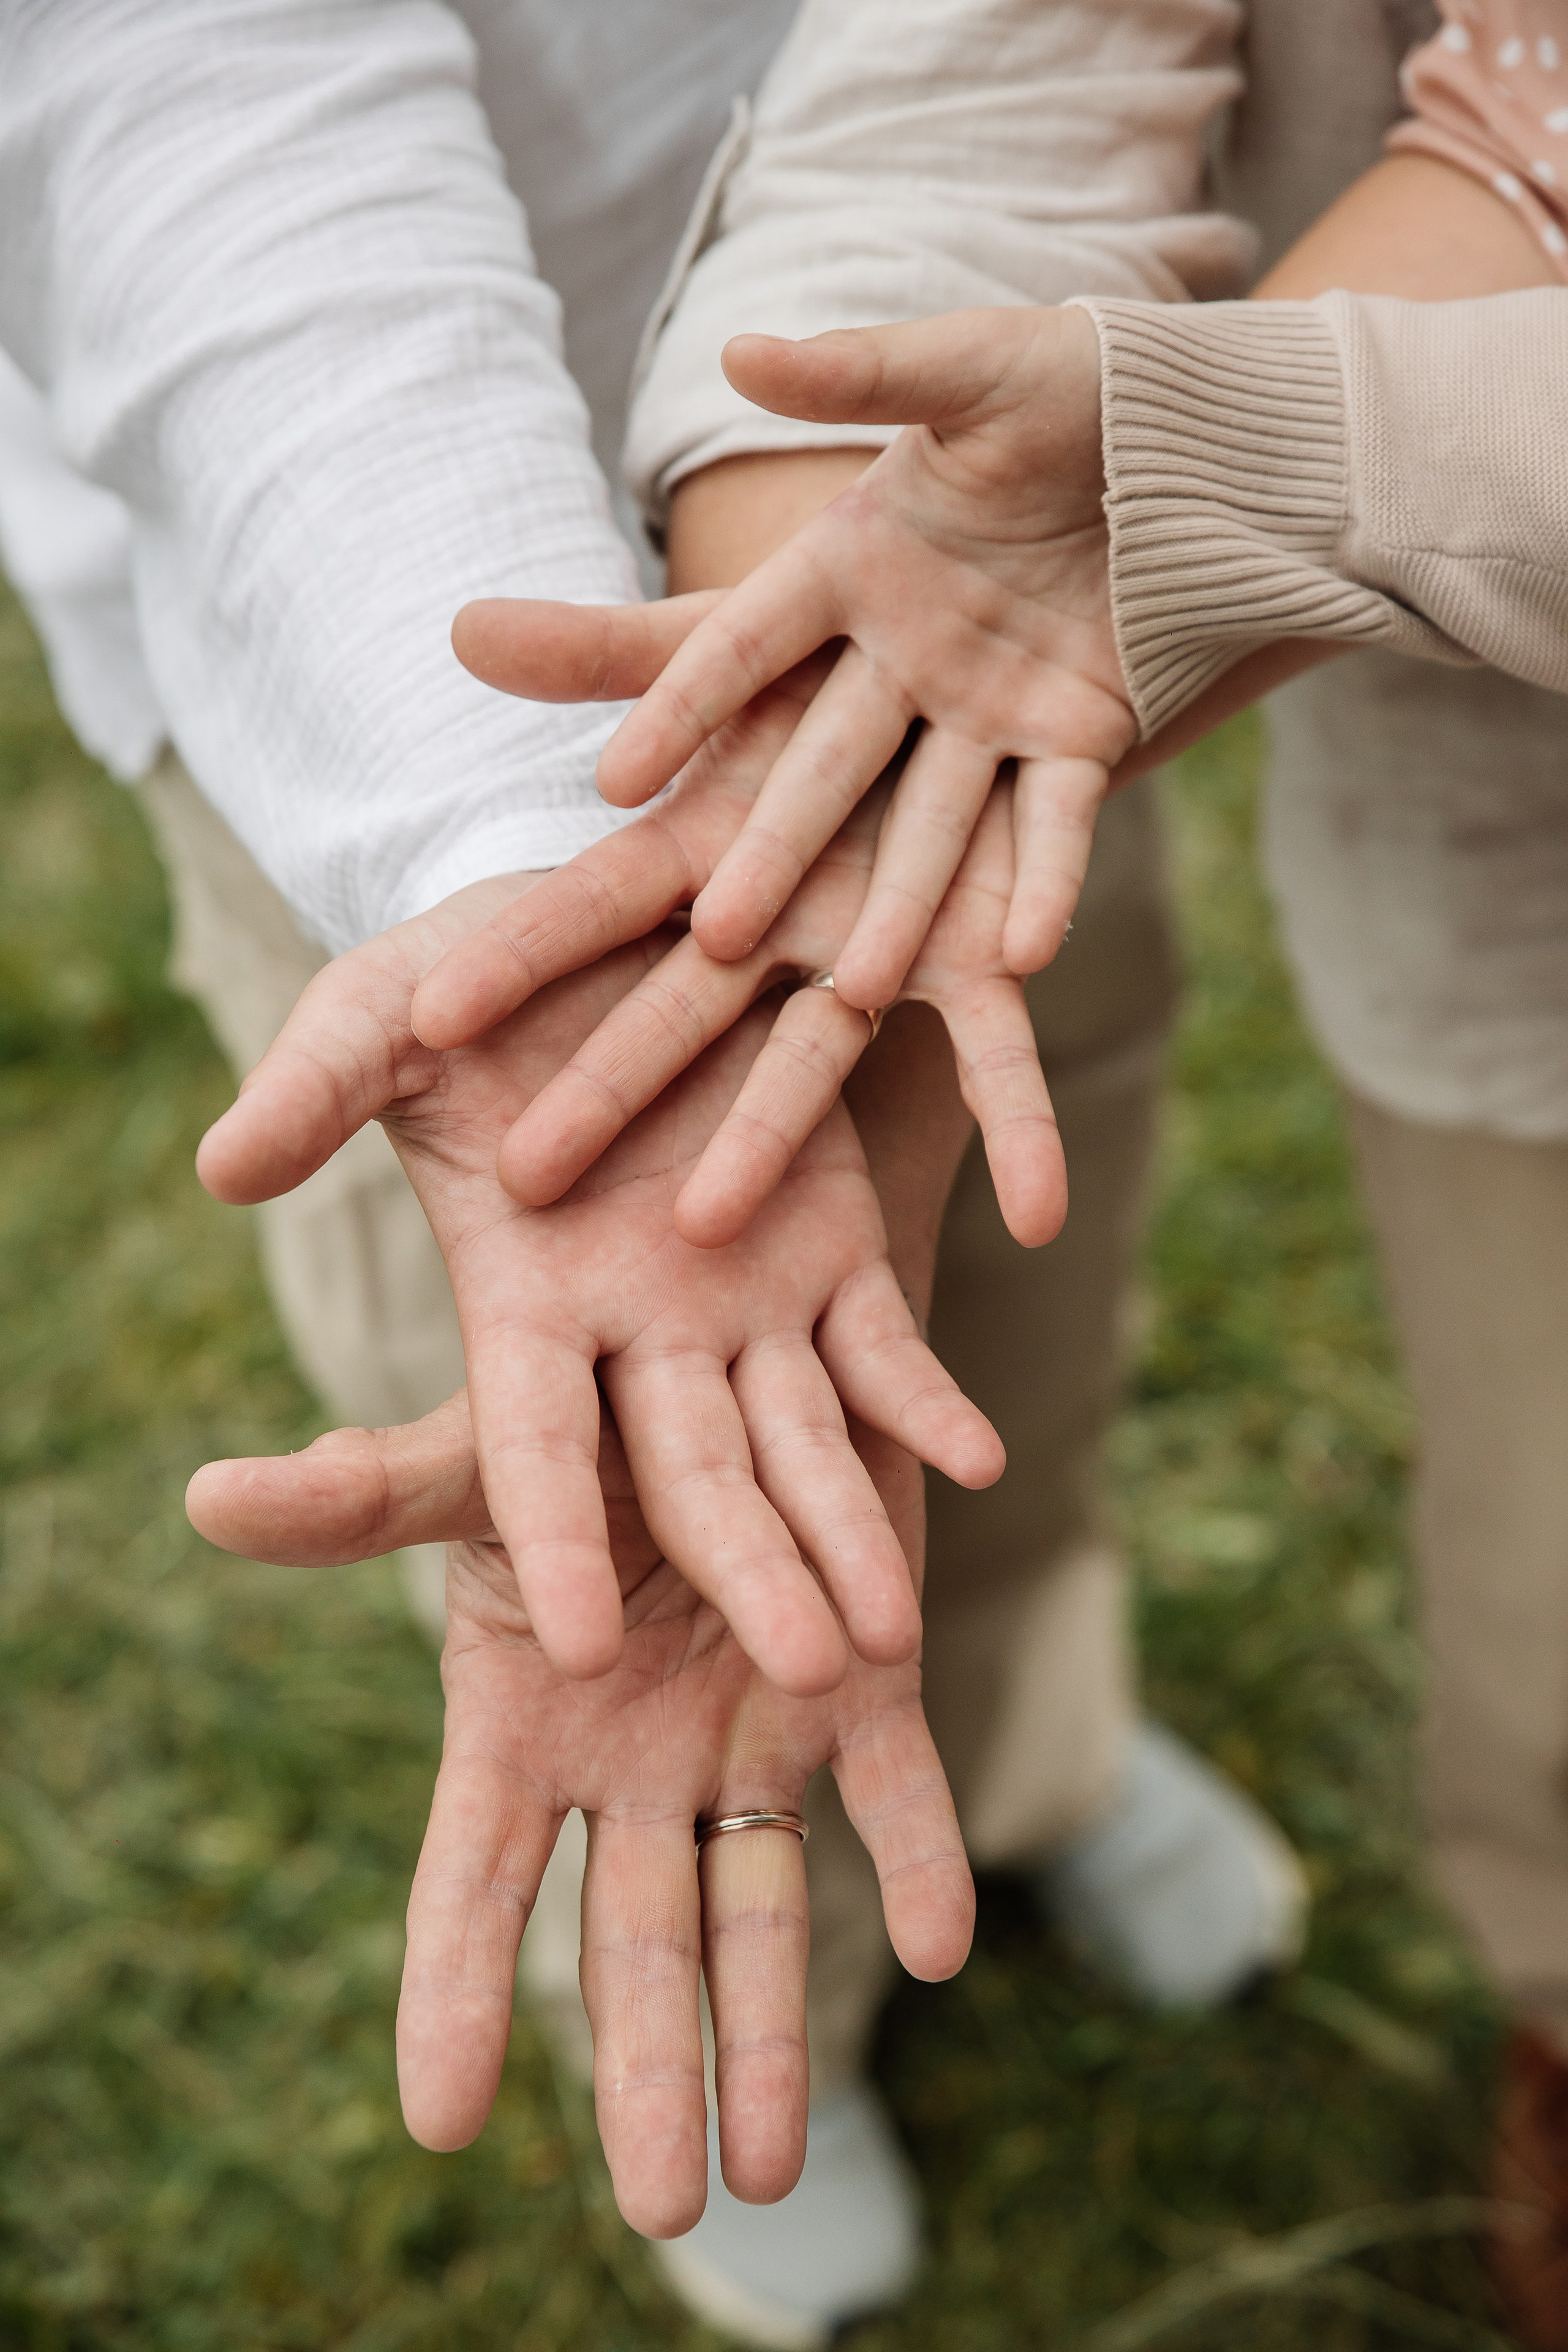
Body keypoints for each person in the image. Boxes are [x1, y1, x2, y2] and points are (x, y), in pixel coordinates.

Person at [1, 6, 1304, 2347]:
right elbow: (160, 72)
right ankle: (728, 1953)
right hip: (349, 557)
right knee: (586, 1440)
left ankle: (1034, 1726)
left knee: (1008, 1222)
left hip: (945, 477)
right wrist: (534, 891)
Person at [375, 1, 1568, 2337]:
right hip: (1506, 870)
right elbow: (995, 74)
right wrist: (780, 818)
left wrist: (1233, 453)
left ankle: (1044, 1747)